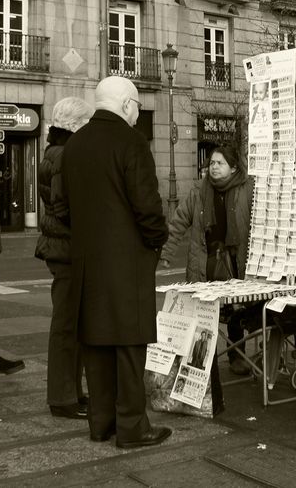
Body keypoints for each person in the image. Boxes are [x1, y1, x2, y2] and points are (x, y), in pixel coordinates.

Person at [61, 76, 170, 448]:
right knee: (128, 344)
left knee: (96, 342)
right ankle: (132, 427)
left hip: (87, 260)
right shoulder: (131, 141)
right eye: (137, 105)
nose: (138, 112)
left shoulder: (75, 144)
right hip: (128, 258)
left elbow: (62, 207)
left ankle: (100, 422)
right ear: (126, 104)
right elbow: (147, 204)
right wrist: (155, 241)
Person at [159, 146, 253, 377]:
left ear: (233, 167)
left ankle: (235, 355)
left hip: (235, 261)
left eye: (220, 163)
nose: (214, 167)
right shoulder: (198, 191)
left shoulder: (247, 189)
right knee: (203, 312)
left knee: (235, 311)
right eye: (211, 163)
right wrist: (166, 253)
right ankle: (201, 363)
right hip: (205, 260)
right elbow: (179, 221)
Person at [35, 97, 94, 419]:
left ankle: (72, 392)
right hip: (67, 249)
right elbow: (65, 205)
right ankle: (62, 397)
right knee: (66, 328)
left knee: (71, 326)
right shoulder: (64, 155)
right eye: (86, 123)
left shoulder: (56, 152)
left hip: (63, 247)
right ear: (74, 125)